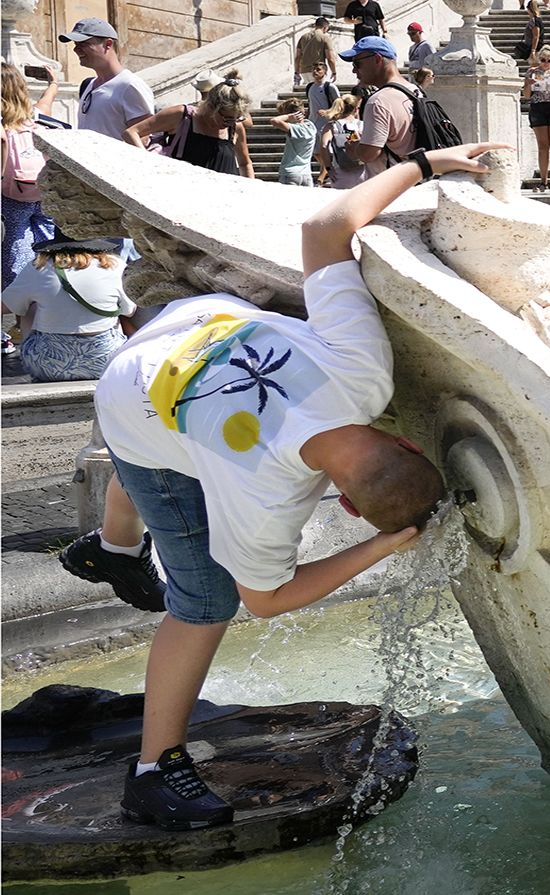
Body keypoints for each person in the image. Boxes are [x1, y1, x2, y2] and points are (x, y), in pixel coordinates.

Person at [58, 141, 497, 833]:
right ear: (347, 503)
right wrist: (379, 549)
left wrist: (427, 163)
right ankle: (152, 771)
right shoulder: (270, 494)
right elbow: (263, 599)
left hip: (186, 328)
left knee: (181, 466)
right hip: (133, 404)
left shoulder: (362, 375)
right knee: (205, 598)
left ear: (399, 436)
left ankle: (116, 545)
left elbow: (323, 230)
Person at [2, 236, 137, 382]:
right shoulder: (115, 265)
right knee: (116, 310)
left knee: (29, 306)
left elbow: (6, 305)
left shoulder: (39, 266)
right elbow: (130, 310)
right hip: (106, 363)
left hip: (48, 367)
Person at [127, 70, 254, 179]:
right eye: (226, 118)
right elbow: (131, 132)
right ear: (211, 107)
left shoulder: (236, 127)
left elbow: (245, 164)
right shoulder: (181, 115)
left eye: (236, 118)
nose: (229, 123)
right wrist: (147, 162)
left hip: (225, 199)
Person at [3, 62, 59, 293]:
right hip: (42, 193)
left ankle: (21, 301)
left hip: (13, 197)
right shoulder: (35, 117)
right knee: (49, 244)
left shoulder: (3, 124)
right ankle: (51, 289)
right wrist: (52, 82)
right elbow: (48, 99)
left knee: (17, 246)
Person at [64, 18, 154, 140]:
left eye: (83, 44)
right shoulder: (89, 85)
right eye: (75, 45)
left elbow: (143, 139)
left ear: (108, 44)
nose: (75, 49)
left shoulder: (130, 85)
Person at [341, 36, 416, 177]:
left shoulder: (378, 101)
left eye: (357, 64)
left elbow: (369, 153)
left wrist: (354, 148)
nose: (354, 71)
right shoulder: (414, 90)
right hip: (415, 181)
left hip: (391, 187)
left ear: (377, 59)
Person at [524, 47, 550, 192]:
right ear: (539, 59)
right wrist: (528, 83)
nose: (546, 63)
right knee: (543, 146)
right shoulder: (532, 72)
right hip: (538, 107)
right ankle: (544, 182)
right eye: (543, 60)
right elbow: (527, 95)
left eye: (549, 60)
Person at [269, 99, 318, 186]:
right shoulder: (311, 126)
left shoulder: (295, 129)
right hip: (306, 174)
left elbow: (274, 121)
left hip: (290, 173)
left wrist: (288, 117)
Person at [322, 95, 368, 189]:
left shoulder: (332, 126)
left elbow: (324, 146)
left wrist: (329, 168)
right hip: (363, 172)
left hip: (340, 173)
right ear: (356, 109)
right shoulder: (363, 125)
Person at [295, 17, 336, 89]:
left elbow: (298, 57)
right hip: (318, 70)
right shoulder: (325, 37)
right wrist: (334, 72)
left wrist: (296, 72)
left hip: (304, 71)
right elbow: (330, 58)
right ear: (325, 27)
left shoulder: (303, 37)